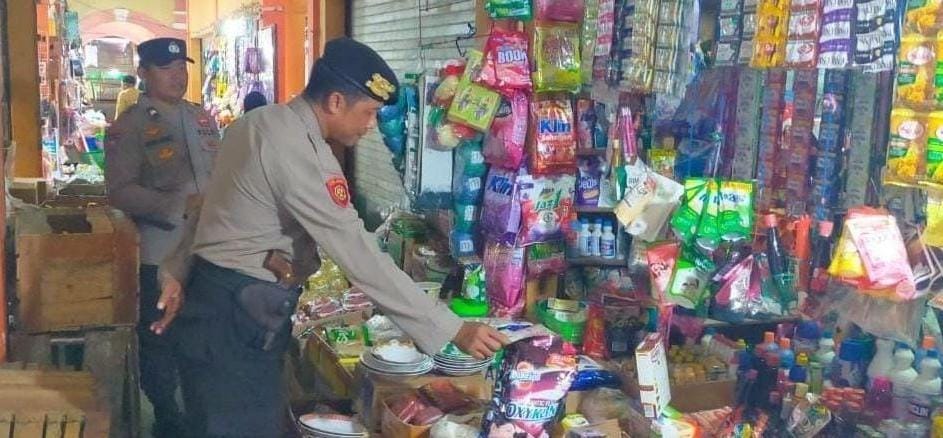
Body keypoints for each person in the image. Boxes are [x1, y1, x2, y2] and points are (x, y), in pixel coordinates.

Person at [154, 37, 509, 438]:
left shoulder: (256, 123)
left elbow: (207, 208)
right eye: (368, 112)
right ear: (336, 102)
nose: (371, 125)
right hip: (236, 321)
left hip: (217, 306)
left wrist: (176, 270)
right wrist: (452, 328)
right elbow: (358, 253)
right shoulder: (296, 149)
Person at [104, 37, 221, 438]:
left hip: (207, 251)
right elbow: (120, 191)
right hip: (160, 252)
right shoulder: (130, 126)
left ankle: (201, 415)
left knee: (202, 339)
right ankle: (168, 418)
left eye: (182, 68)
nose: (178, 75)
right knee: (161, 342)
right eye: (166, 69)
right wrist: (176, 206)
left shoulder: (202, 117)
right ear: (143, 73)